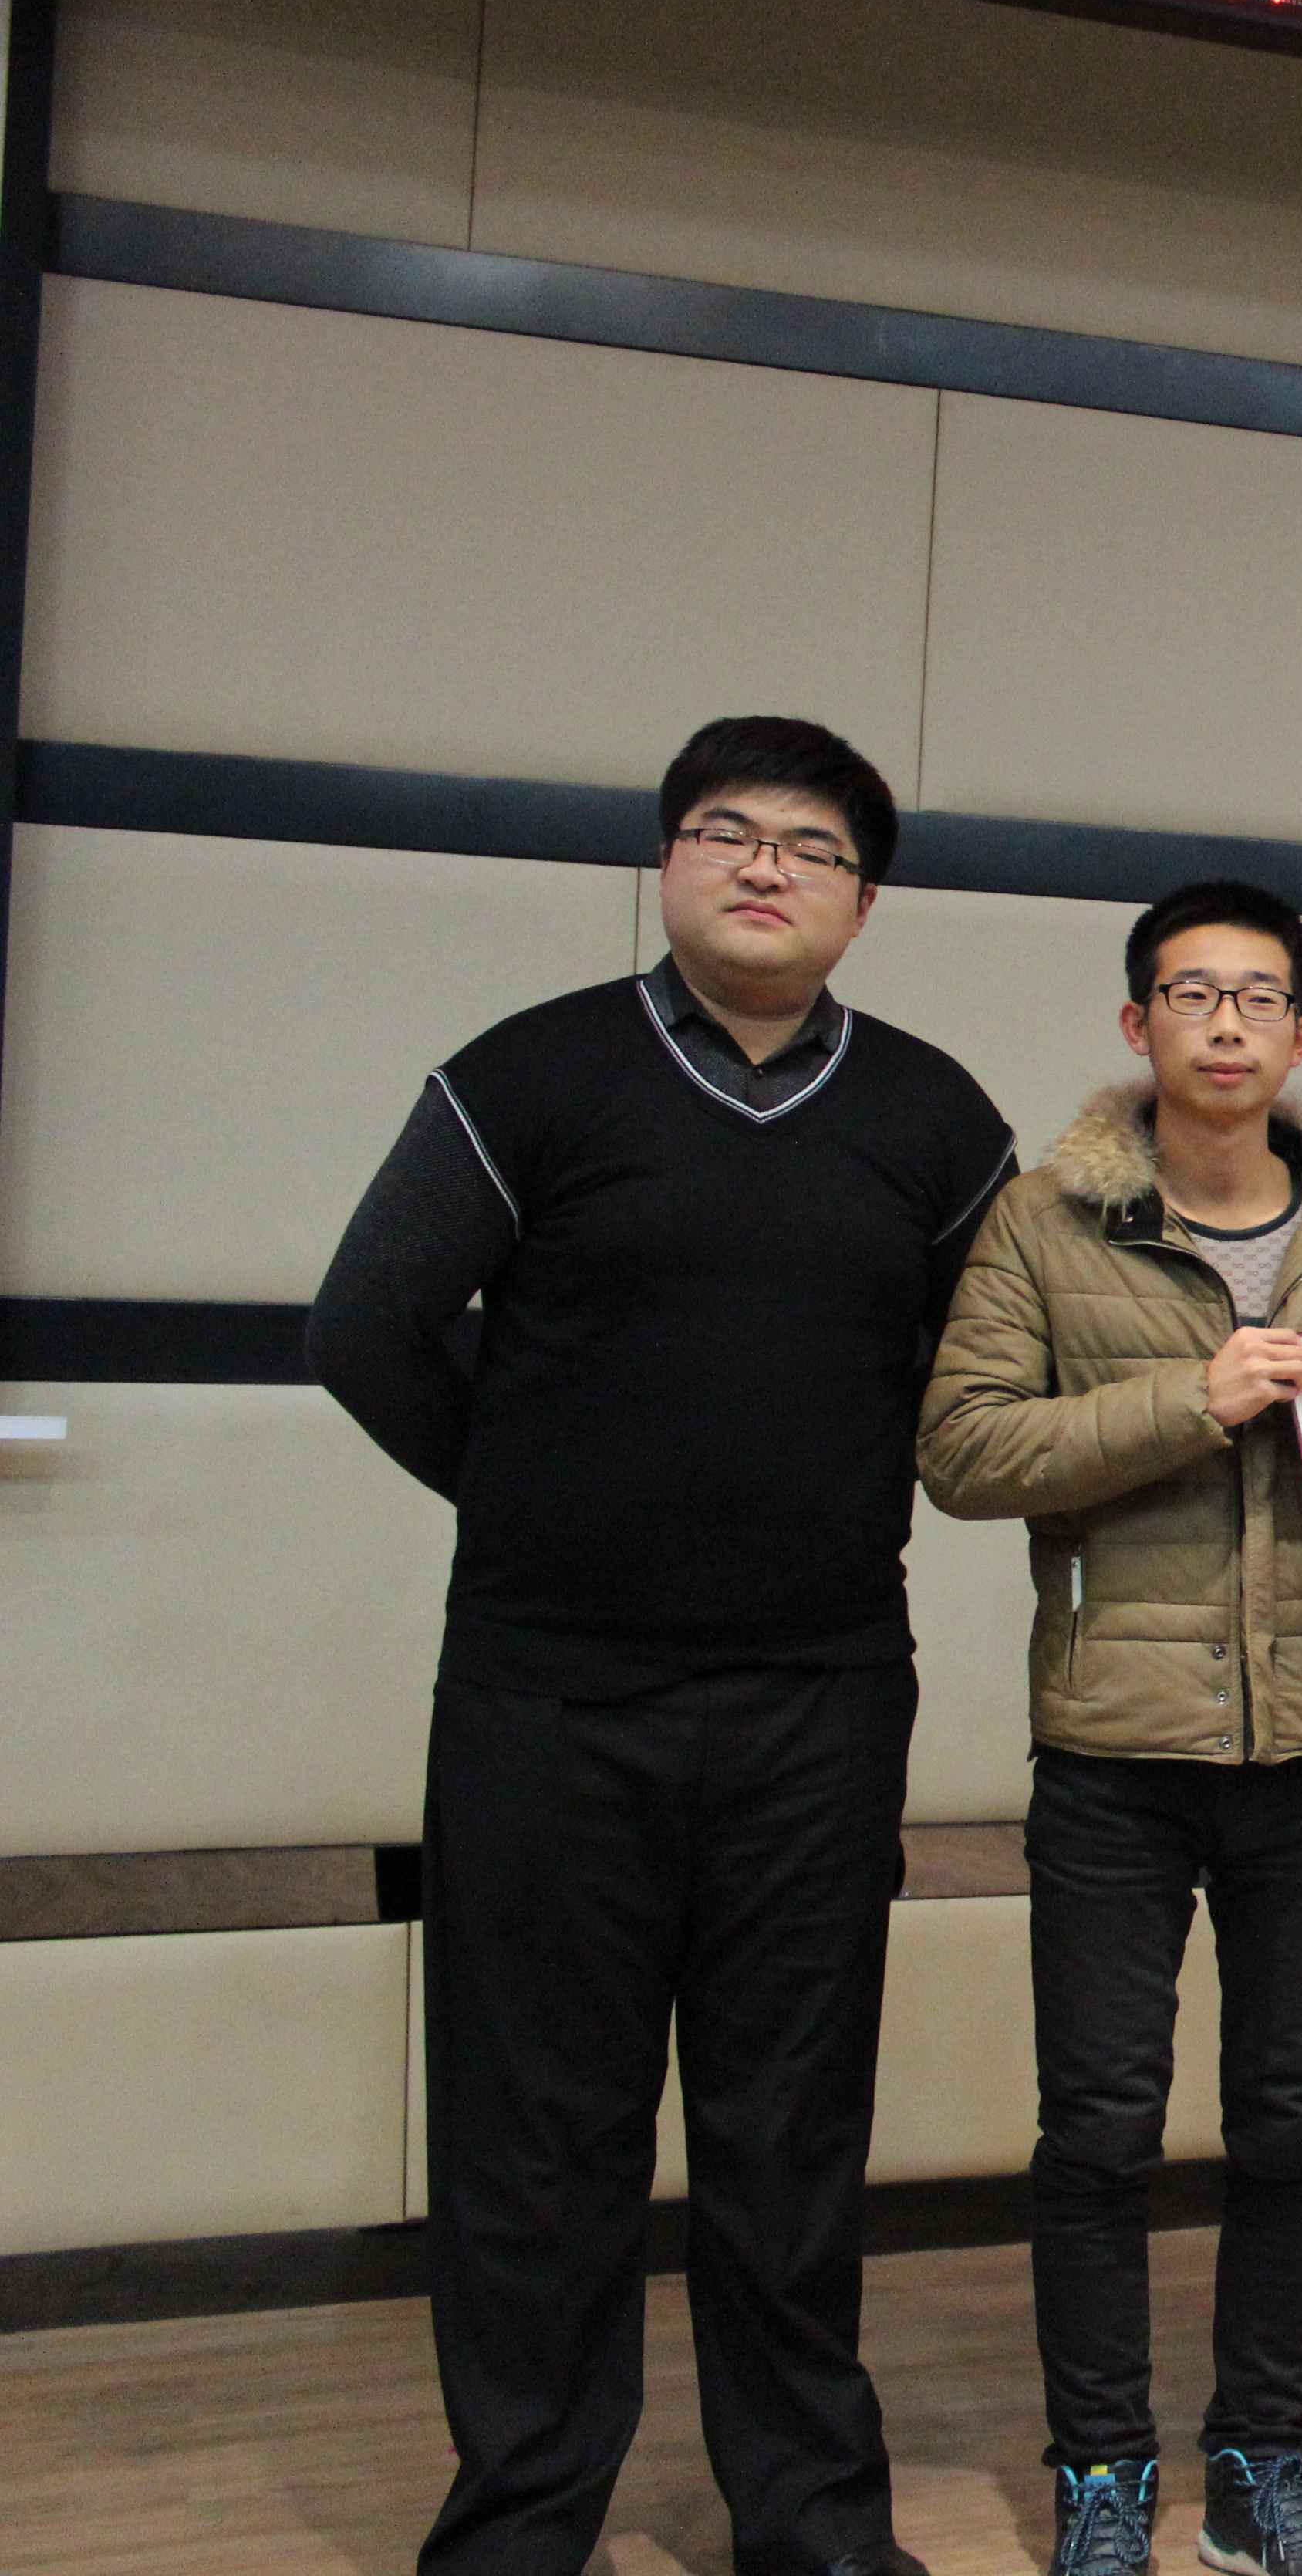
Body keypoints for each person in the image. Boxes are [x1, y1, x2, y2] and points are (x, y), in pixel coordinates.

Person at [311, 717, 1016, 2576]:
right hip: (549, 1698)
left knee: (792, 2134)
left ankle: (813, 2522)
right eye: (727, 829)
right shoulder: (529, 1075)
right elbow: (366, 1322)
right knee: (539, 2140)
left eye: (812, 845)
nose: (766, 865)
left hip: (819, 1702)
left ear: (865, 904)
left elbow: (988, 1384)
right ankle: (521, 2525)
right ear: (666, 860)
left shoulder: (936, 1120)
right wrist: (536, 1491)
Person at [917, 878, 1302, 2576]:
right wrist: (1187, 1401)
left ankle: (1264, 2462)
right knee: (1098, 2130)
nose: (1226, 1023)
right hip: (1113, 1757)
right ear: (1137, 1025)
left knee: (1295, 2126)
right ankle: (1101, 2472)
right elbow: (964, 1450)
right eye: (1192, 994)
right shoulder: (1046, 1222)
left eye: (1258, 995)